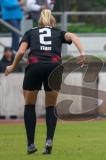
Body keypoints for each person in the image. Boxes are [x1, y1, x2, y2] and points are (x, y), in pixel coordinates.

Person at [5, 9, 86, 154]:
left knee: (29, 104)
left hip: (35, 66)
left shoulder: (30, 32)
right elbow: (73, 36)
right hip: (54, 67)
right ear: (53, 22)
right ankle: (49, 140)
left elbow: (22, 51)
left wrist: (12, 66)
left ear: (39, 22)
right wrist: (82, 53)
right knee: (50, 106)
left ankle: (30, 144)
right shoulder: (58, 32)